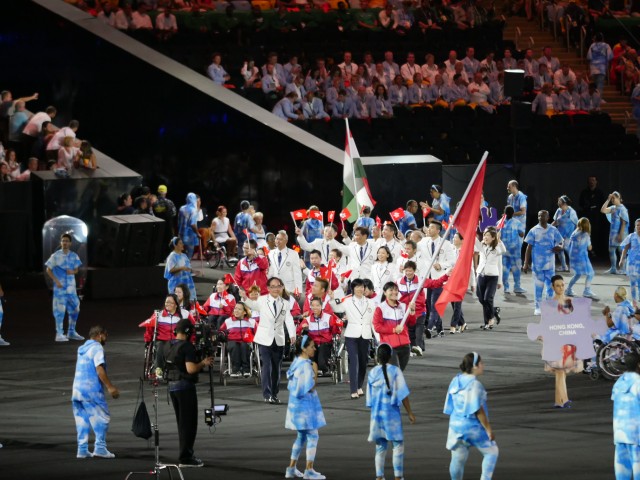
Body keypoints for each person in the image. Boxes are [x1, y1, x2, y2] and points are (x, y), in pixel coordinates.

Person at [163, 318, 213, 468]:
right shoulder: (187, 347)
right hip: (185, 387)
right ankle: (186, 457)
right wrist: (203, 363)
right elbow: (191, 369)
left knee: (181, 423)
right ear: (188, 332)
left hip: (172, 387)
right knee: (188, 424)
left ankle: (185, 454)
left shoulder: (167, 345)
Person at [444, 352, 498, 480]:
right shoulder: (475, 385)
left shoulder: (455, 380)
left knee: (458, 459)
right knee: (492, 452)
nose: (483, 366)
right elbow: (478, 411)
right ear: (475, 366)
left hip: (456, 427)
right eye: (481, 363)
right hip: (472, 427)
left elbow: (449, 405)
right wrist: (488, 429)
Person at [366, 343, 415, 480]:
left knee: (380, 447)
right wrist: (410, 413)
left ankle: (379, 477)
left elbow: (369, 401)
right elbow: (403, 394)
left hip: (376, 417)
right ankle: (398, 477)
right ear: (390, 356)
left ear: (377, 356)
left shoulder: (372, 373)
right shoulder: (395, 371)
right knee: (398, 445)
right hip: (392, 416)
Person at [244, 277, 296, 404]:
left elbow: (288, 319)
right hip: (264, 338)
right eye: (272, 286)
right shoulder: (262, 300)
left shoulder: (285, 303)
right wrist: (243, 297)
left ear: (281, 287)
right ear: (268, 288)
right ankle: (267, 394)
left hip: (279, 339)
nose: (275, 289)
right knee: (267, 366)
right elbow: (252, 305)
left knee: (276, 369)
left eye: (278, 286)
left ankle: (274, 393)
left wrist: (292, 334)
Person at [72, 325, 119, 459]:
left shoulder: (81, 348)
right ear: (99, 334)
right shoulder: (97, 347)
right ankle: (100, 448)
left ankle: (82, 449)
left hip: (77, 390)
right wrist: (110, 387)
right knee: (103, 417)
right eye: (105, 335)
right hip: (91, 390)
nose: (106, 338)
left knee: (82, 420)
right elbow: (99, 369)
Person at [285, 335, 326, 480]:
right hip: (304, 407)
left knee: (301, 436)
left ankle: (291, 468)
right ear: (304, 348)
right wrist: (315, 371)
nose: (314, 349)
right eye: (312, 346)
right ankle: (309, 470)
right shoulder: (307, 366)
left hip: (295, 406)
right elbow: (309, 387)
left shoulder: (295, 362)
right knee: (313, 435)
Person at [331, 278, 376, 399]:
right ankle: (353, 389)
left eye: (362, 287)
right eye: (357, 287)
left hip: (365, 335)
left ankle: (359, 386)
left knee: (363, 362)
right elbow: (337, 308)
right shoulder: (347, 301)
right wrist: (331, 298)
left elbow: (373, 322)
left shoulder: (371, 302)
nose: (360, 289)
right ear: (353, 289)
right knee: (354, 361)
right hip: (351, 334)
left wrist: (378, 337)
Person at [543, 275, 583, 407]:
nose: (561, 288)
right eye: (558, 285)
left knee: (563, 372)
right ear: (553, 287)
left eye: (562, 285)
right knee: (560, 372)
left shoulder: (569, 301)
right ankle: (563, 401)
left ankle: (559, 400)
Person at [523, 211, 564, 315]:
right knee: (538, 287)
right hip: (538, 266)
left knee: (551, 287)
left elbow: (561, 242)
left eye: (543, 215)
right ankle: (538, 307)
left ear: (548, 217)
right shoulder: (534, 230)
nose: (540, 217)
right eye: (539, 215)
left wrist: (560, 247)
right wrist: (525, 263)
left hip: (550, 265)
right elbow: (529, 247)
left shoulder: (553, 230)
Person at [45, 233, 84, 342]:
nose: (65, 243)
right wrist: (56, 281)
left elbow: (76, 270)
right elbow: (48, 269)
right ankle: (59, 333)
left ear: (70, 243)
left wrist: (72, 271)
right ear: (60, 242)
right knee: (59, 311)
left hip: (71, 288)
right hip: (60, 288)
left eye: (67, 241)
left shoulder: (74, 255)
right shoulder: (55, 256)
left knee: (76, 308)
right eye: (63, 241)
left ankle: (71, 331)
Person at [373, 282, 416, 371]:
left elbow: (412, 323)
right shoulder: (380, 308)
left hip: (405, 346)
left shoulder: (404, 306)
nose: (394, 292)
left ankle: (387, 383)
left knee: (399, 373)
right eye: (391, 290)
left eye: (396, 290)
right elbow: (377, 327)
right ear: (385, 293)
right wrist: (393, 330)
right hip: (389, 346)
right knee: (395, 372)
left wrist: (412, 312)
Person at [611, 352, 640, 480]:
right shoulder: (638, 383)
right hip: (636, 435)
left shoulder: (618, 382)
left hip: (619, 433)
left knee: (622, 472)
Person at [297, 297, 342, 376]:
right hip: (312, 344)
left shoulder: (329, 318)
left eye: (317, 305)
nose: (315, 308)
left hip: (326, 343)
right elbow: (298, 332)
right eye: (313, 305)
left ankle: (323, 368)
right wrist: (304, 328)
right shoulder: (307, 320)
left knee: (321, 360)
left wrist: (335, 329)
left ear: (321, 306)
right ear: (310, 306)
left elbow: (336, 331)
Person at [476, 228, 505, 330]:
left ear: (493, 238)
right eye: (484, 234)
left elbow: (500, 263)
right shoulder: (482, 246)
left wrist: (500, 281)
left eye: (488, 235)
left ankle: (490, 319)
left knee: (487, 298)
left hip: (492, 276)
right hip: (481, 275)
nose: (485, 237)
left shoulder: (497, 249)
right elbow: (474, 242)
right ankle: (491, 314)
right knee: (481, 298)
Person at [219, 302, 256, 378]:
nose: (236, 310)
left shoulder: (251, 322)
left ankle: (246, 369)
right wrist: (222, 334)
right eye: (235, 308)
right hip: (232, 341)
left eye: (239, 309)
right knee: (234, 346)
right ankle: (236, 369)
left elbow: (258, 332)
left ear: (245, 312)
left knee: (244, 345)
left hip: (246, 342)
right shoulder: (228, 321)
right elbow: (221, 331)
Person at [566, 218, 597, 298]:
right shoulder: (586, 234)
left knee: (578, 274)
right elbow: (589, 247)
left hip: (573, 256)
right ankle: (587, 290)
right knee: (590, 273)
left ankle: (568, 289)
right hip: (582, 257)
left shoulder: (574, 232)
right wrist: (590, 246)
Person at [602, 191, 629, 275]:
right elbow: (603, 210)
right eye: (612, 198)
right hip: (613, 233)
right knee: (611, 250)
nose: (613, 200)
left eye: (614, 198)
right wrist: (608, 199)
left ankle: (623, 268)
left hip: (621, 232)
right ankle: (613, 268)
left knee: (621, 250)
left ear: (619, 198)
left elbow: (624, 222)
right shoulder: (613, 208)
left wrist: (620, 234)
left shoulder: (622, 208)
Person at [500, 205, 526, 294]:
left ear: (504, 212)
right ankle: (517, 287)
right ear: (513, 213)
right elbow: (522, 234)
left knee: (505, 269)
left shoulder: (499, 222)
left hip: (503, 250)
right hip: (515, 250)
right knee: (516, 269)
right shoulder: (517, 223)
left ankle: (506, 288)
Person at [268, 230, 303, 294]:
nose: (278, 241)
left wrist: (298, 290)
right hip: (274, 289)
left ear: (286, 241)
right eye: (277, 239)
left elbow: (297, 273)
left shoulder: (293, 254)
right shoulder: (270, 253)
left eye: (280, 239)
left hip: (288, 289)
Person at [552, 196, 578, 273]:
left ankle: (574, 266)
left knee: (567, 248)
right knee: (559, 250)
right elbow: (556, 221)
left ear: (564, 203)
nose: (558, 203)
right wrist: (549, 228)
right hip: (560, 234)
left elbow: (577, 223)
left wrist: (577, 234)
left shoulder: (571, 211)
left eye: (559, 201)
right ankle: (564, 267)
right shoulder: (558, 210)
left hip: (569, 234)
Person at [621, 219, 640, 308]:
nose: (639, 227)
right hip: (632, 264)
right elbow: (625, 249)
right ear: (635, 226)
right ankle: (634, 302)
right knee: (632, 284)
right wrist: (622, 259)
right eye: (637, 225)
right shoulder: (631, 236)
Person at [178, 193, 201, 260]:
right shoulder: (193, 210)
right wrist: (197, 233)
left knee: (182, 252)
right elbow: (192, 224)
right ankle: (186, 268)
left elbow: (178, 220)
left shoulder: (182, 208)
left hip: (181, 233)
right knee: (189, 254)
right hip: (189, 235)